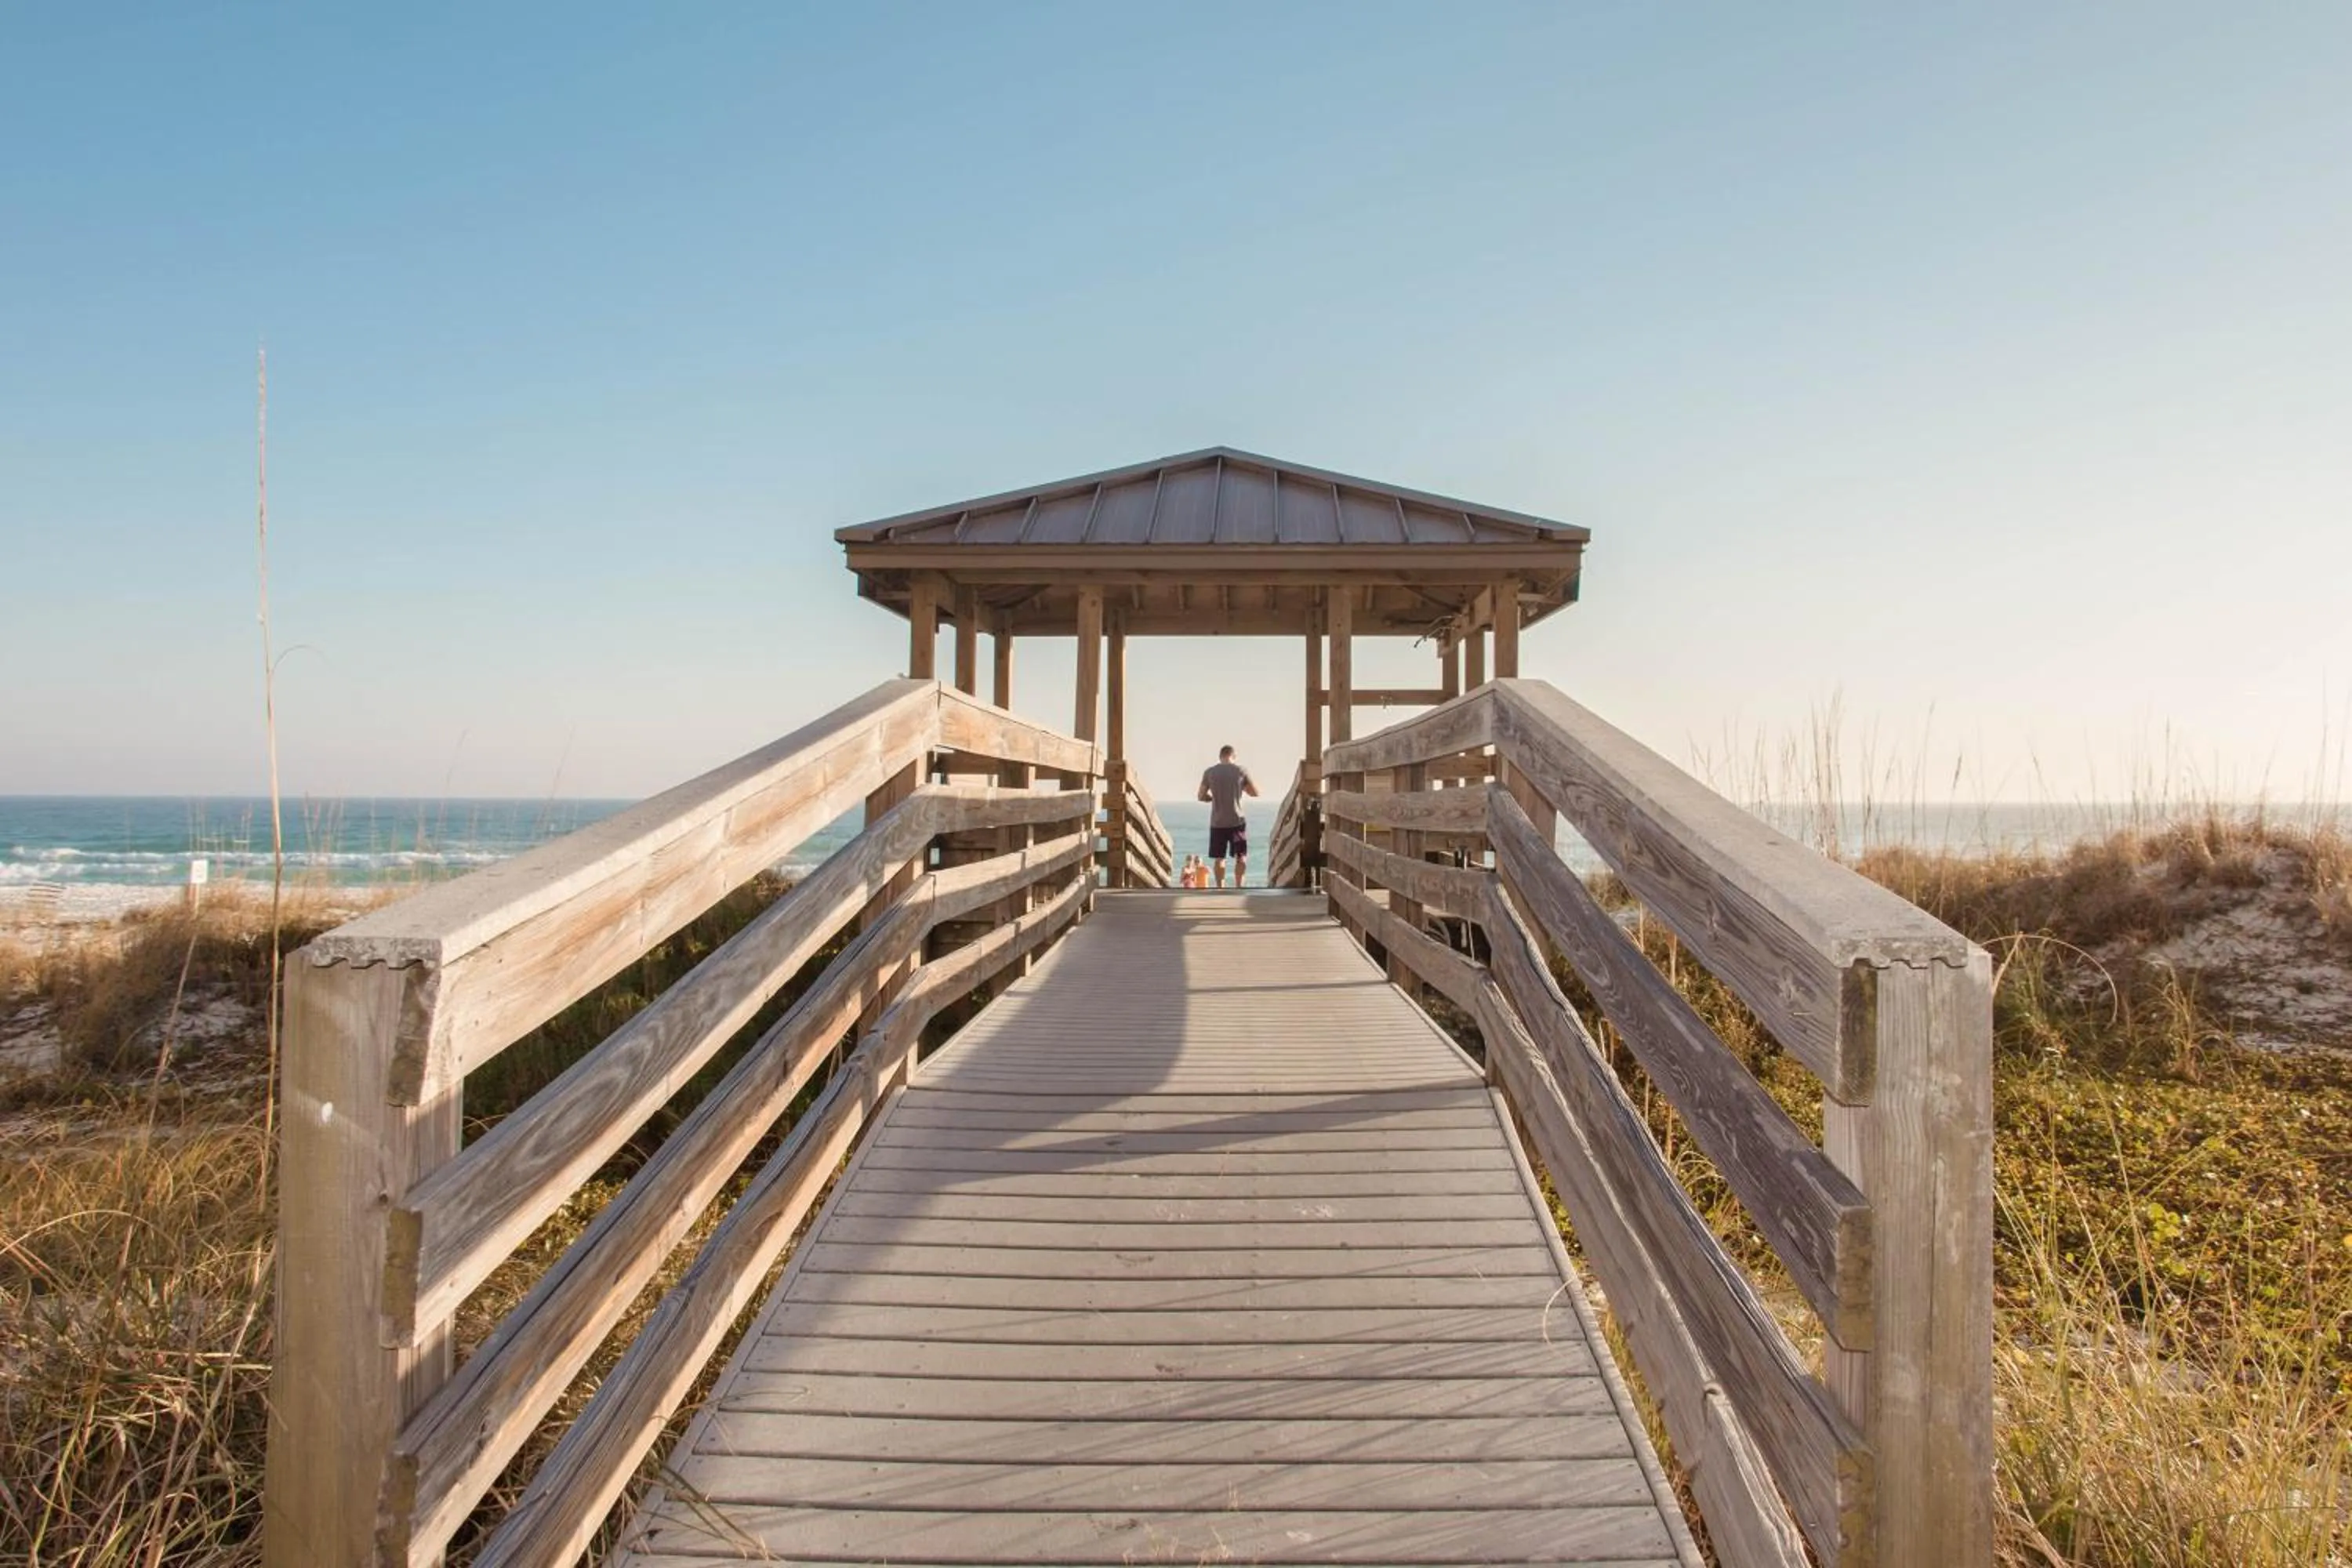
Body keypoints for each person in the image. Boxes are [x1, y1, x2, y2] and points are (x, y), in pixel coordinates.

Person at [1196, 744, 1259, 888]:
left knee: (1219, 858)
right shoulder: (1241, 771)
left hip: (1217, 822)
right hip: (1237, 821)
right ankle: (1239, 887)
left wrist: (1211, 798)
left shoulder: (1210, 772)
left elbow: (1200, 796)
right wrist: (1240, 788)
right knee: (1241, 857)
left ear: (1220, 757)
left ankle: (1220, 888)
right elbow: (1254, 793)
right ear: (1234, 756)